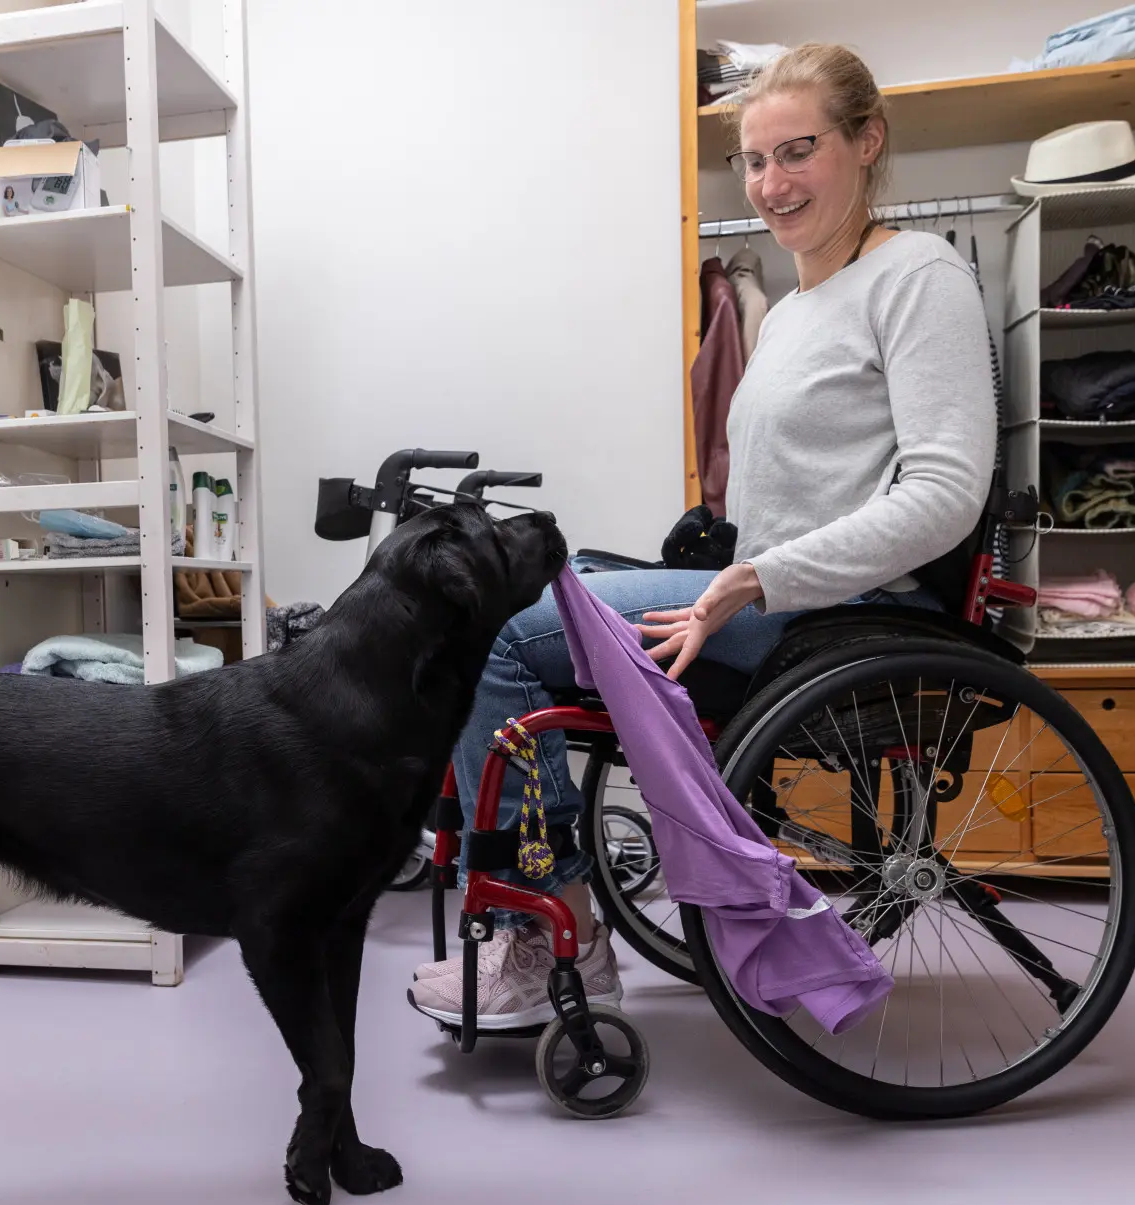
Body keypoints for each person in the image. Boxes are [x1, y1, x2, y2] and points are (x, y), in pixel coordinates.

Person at [408, 42, 997, 1028]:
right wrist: (727, 559)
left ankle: (555, 928)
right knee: (534, 584)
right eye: (754, 161)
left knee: (491, 631)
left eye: (798, 151)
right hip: (777, 592)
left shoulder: (918, 277)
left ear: (867, 141)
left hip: (835, 610)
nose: (771, 183)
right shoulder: (796, 311)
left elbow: (944, 495)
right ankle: (545, 904)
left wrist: (755, 576)